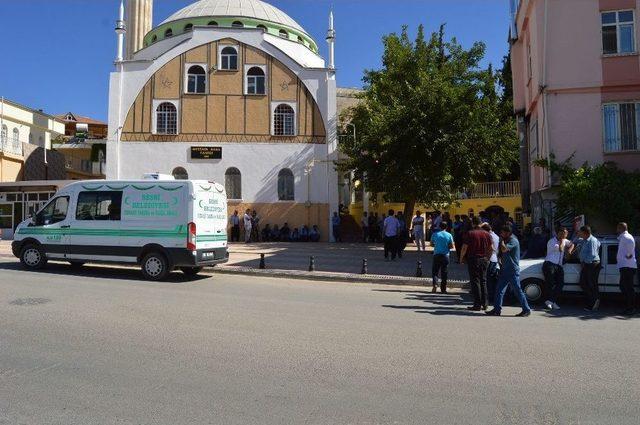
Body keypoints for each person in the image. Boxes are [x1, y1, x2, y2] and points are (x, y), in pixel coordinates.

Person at [486, 225, 532, 317]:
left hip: (512, 270)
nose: (501, 234)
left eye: (502, 232)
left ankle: (526, 309)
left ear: (508, 233)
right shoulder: (506, 240)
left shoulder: (513, 240)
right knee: (499, 290)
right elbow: (500, 253)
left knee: (517, 290)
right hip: (504, 270)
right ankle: (497, 309)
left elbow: (504, 249)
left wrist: (501, 240)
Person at [459, 216, 493, 311]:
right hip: (484, 259)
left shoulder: (470, 233)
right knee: (483, 281)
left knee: (475, 281)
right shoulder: (487, 234)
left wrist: (461, 259)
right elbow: (491, 248)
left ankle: (477, 304)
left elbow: (464, 248)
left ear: (473, 223)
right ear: (481, 222)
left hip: (473, 259)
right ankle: (485, 303)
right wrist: (488, 259)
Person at [542, 226, 574, 311]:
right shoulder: (552, 242)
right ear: (559, 233)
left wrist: (570, 249)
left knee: (560, 284)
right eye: (563, 234)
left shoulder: (565, 240)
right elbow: (560, 249)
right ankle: (550, 301)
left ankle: (551, 301)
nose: (565, 236)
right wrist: (561, 241)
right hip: (550, 264)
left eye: (566, 234)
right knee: (550, 284)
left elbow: (572, 244)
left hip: (559, 265)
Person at [578, 226, 602, 312]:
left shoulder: (592, 240)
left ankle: (594, 302)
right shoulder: (585, 240)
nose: (579, 233)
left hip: (591, 264)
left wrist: (583, 262)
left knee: (589, 284)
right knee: (584, 283)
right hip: (589, 264)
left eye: (580, 232)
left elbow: (592, 254)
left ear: (585, 233)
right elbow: (599, 244)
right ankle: (593, 300)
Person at [617, 223, 637, 316]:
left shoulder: (627, 237)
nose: (616, 229)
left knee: (628, 288)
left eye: (617, 227)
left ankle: (631, 308)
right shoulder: (623, 237)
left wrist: (626, 257)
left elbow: (630, 252)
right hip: (625, 266)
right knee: (624, 287)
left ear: (620, 228)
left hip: (628, 266)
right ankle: (629, 307)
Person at [431, 222, 454, 293]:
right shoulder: (449, 235)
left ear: (439, 227)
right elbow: (452, 246)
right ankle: (443, 289)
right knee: (444, 272)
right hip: (445, 255)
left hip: (437, 254)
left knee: (435, 271)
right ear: (446, 227)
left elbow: (431, 244)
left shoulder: (435, 234)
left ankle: (435, 285)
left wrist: (437, 245)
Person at [481, 223, 500, 301]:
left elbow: (491, 248)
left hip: (490, 259)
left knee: (488, 279)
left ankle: (490, 296)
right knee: (491, 279)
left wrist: (487, 259)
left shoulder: (489, 236)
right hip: (495, 259)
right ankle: (492, 295)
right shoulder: (496, 236)